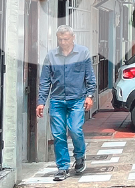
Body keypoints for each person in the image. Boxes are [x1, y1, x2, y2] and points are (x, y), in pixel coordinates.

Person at [36, 25, 97, 181]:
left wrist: (90, 95)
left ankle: (79, 156)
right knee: (58, 134)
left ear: (73, 38)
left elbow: (90, 77)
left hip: (77, 99)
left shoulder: (82, 53)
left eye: (66, 39)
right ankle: (62, 167)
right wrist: (41, 101)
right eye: (60, 39)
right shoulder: (51, 56)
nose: (63, 42)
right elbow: (44, 81)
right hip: (57, 100)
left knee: (75, 129)